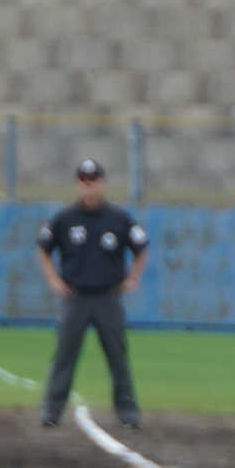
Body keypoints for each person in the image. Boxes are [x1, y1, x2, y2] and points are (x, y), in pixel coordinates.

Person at [36, 158, 147, 429]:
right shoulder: (65, 218)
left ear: (102, 184)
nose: (89, 187)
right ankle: (51, 411)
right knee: (64, 356)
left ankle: (127, 413)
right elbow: (43, 246)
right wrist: (53, 279)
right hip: (75, 297)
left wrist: (133, 277)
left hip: (108, 297)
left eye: (94, 181)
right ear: (78, 185)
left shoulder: (118, 218)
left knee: (118, 356)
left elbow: (141, 246)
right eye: (84, 182)